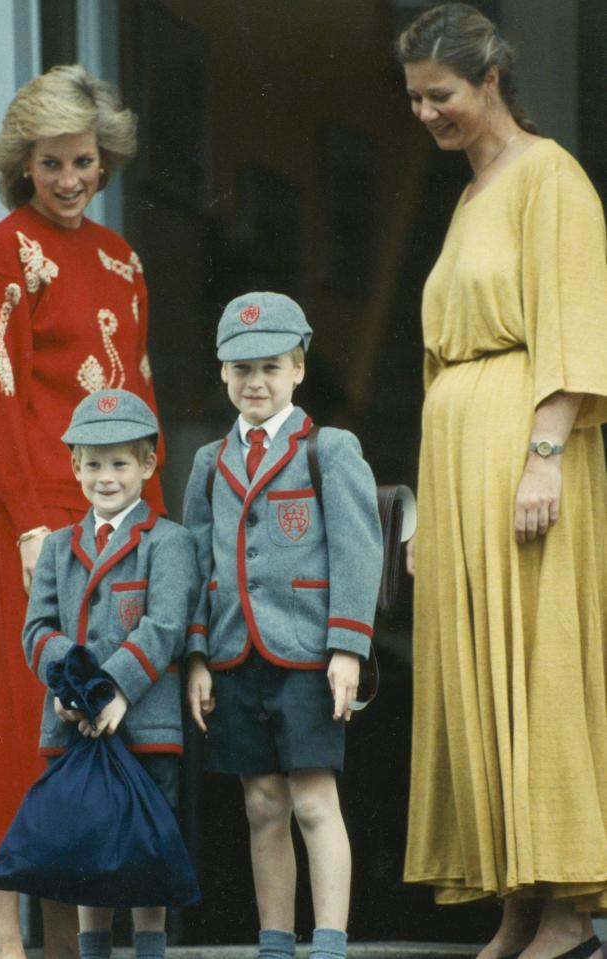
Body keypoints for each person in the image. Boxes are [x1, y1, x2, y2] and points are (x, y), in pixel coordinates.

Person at [395, 5, 607, 959]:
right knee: (478, 676)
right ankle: (517, 903)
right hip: (459, 465)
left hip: (524, 455)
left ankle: (567, 907)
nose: (426, 114)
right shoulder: (471, 194)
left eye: (438, 95)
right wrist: (422, 499)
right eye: (414, 99)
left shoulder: (548, 177)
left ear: (488, 82)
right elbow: (442, 361)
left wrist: (543, 454)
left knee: (536, 663)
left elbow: (572, 318)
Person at [0, 65, 166, 959]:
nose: (72, 179)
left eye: (84, 161)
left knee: (102, 718)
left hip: (118, 526)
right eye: (52, 165)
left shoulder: (123, 260)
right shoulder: (1, 253)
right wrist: (30, 520)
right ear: (24, 164)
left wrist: (158, 524)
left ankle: (62, 936)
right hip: (36, 521)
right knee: (19, 714)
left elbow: (139, 393)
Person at [183, 292, 384, 959]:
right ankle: (275, 941)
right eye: (240, 369)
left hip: (306, 653)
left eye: (270, 366)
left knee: (312, 802)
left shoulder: (328, 448)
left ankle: (327, 942)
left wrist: (346, 647)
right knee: (261, 805)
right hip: (237, 653)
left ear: (298, 367)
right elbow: (197, 563)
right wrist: (199, 655)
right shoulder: (210, 463)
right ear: (221, 374)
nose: (255, 382)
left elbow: (358, 549)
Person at [22, 388, 198, 959]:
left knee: (146, 846)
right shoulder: (56, 547)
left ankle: (150, 950)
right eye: (92, 463)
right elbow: (38, 629)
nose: (105, 477)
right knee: (85, 851)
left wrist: (116, 688)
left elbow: (165, 624)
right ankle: (93, 950)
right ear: (74, 466)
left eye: (120, 462)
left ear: (147, 465)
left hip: (143, 723)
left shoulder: (169, 542)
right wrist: (69, 689)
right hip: (75, 724)